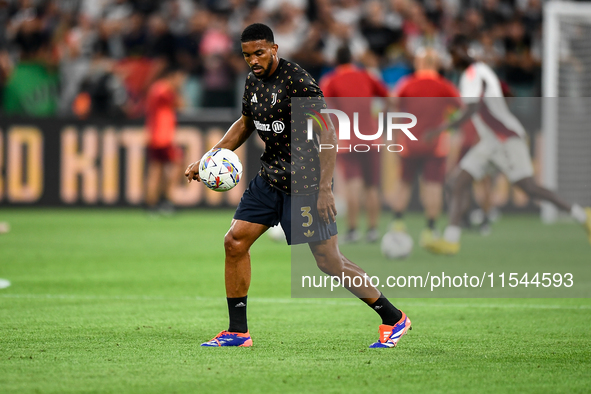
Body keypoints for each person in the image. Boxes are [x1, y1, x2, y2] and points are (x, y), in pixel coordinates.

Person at [185, 23, 411, 348]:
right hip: (270, 178)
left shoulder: (297, 81)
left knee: (329, 261)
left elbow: (328, 133)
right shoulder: (253, 81)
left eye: (259, 53)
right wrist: (209, 158)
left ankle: (394, 318)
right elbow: (246, 123)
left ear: (274, 49)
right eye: (247, 55)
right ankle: (237, 332)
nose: (253, 60)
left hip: (306, 180)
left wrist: (324, 188)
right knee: (234, 242)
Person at [424, 35, 591, 255]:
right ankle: (451, 240)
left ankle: (582, 215)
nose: (452, 58)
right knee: (457, 182)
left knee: (528, 187)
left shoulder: (472, 73)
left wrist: (440, 128)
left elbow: (472, 109)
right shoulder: (481, 71)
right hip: (491, 140)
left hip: (505, 138)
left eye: (454, 53)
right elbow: (504, 92)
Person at [390, 48, 463, 247]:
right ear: (436, 64)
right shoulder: (445, 86)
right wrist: (447, 127)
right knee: (433, 186)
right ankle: (430, 229)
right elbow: (461, 110)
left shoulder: (406, 84)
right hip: (435, 145)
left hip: (409, 143)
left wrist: (396, 140)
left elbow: (395, 110)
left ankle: (397, 223)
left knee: (403, 183)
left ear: (418, 63)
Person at [319, 45, 389, 243]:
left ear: (336, 61)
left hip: (347, 139)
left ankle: (352, 230)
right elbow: (387, 98)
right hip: (372, 138)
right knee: (373, 186)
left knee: (353, 184)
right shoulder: (367, 76)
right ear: (353, 58)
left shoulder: (331, 79)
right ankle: (373, 230)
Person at [145, 66, 185, 213]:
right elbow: (182, 105)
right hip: (163, 136)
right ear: (173, 76)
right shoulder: (164, 90)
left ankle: (152, 204)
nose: (181, 82)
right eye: (180, 78)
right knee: (176, 165)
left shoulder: (157, 89)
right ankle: (167, 200)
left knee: (157, 169)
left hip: (155, 135)